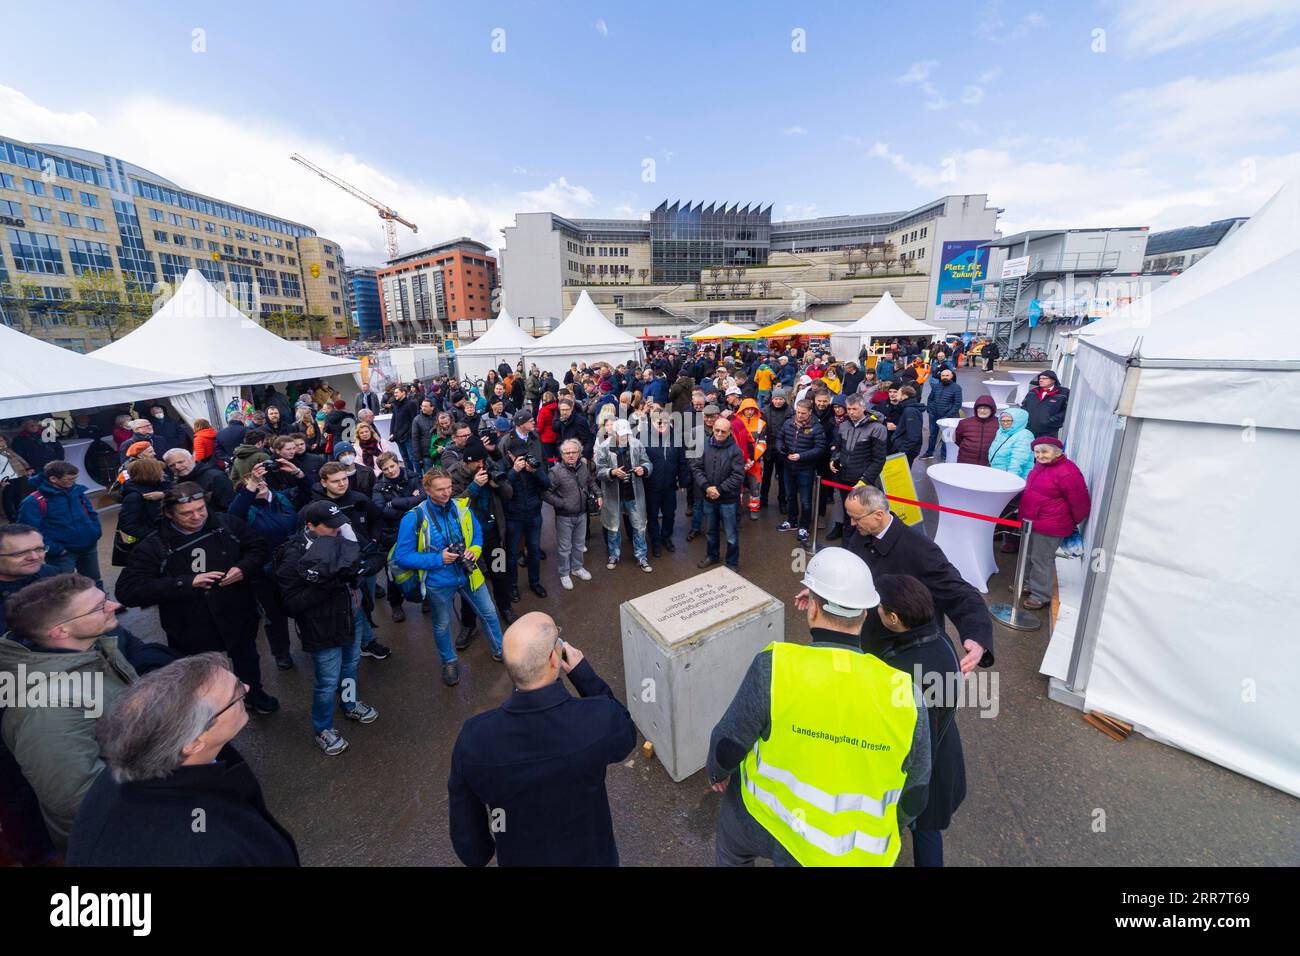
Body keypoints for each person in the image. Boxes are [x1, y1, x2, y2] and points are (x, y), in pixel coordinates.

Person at [707, 548, 931, 866]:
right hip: (852, 851)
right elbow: (917, 791)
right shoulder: (906, 694)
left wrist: (717, 772)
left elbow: (728, 744)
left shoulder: (775, 667)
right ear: (865, 614)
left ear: (812, 609)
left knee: (731, 847)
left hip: (764, 821)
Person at [66, 652, 300, 865]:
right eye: (235, 692)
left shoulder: (119, 776)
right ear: (194, 743)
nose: (247, 688)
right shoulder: (210, 850)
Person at [447, 612, 636, 867]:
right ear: (553, 658)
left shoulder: (474, 738)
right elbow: (626, 734)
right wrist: (584, 675)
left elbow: (466, 822)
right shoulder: (596, 718)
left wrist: (479, 851)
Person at [0, 574, 139, 852]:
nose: (113, 606)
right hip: (119, 833)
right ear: (59, 631)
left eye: (105, 599)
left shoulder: (89, 647)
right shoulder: (47, 710)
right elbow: (78, 798)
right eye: (99, 607)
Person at [115, 482, 279, 713]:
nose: (197, 517)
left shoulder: (227, 524)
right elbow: (128, 590)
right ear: (168, 514)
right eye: (187, 513)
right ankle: (210, 713)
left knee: (247, 659)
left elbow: (258, 547)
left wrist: (243, 568)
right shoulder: (154, 545)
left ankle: (253, 695)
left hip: (237, 612)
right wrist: (185, 582)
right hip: (190, 624)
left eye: (201, 509)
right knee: (201, 673)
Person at [840, 484, 994, 673]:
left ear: (878, 515)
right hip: (866, 638)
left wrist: (977, 637)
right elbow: (853, 569)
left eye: (856, 518)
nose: (852, 524)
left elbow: (960, 593)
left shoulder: (921, 550)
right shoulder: (861, 534)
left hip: (903, 653)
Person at [870, 574, 968, 867]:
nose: (876, 612)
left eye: (879, 608)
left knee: (923, 832)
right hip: (945, 757)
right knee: (928, 830)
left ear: (894, 618)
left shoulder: (902, 671)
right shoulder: (941, 638)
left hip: (924, 771)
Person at [276, 500, 380, 755]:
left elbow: (377, 554)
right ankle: (323, 728)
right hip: (322, 628)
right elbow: (290, 603)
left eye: (339, 523)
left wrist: (363, 569)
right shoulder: (293, 554)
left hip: (352, 617)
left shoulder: (344, 532)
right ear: (310, 526)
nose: (338, 529)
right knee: (327, 680)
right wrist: (327, 584)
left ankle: (350, 702)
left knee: (351, 665)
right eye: (330, 526)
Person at [393, 468, 505, 687]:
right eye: (440, 489)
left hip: (469, 573)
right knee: (442, 625)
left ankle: (500, 650)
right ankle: (449, 661)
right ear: (427, 489)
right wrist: (438, 559)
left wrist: (474, 549)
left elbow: (477, 534)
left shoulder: (462, 507)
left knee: (490, 613)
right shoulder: (414, 517)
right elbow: (402, 556)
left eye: (449, 488)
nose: (446, 493)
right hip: (438, 581)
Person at [309, 461, 390, 661]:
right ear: (324, 482)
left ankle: (364, 640)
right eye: (336, 481)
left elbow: (377, 520)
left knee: (366, 602)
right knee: (353, 607)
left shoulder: (359, 499)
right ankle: (363, 642)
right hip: (338, 568)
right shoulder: (317, 507)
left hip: (365, 562)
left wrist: (374, 538)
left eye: (344, 479)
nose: (342, 484)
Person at [448, 440, 516, 636]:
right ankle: (469, 624)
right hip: (467, 540)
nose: (480, 465)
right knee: (469, 579)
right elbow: (454, 507)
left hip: (493, 533)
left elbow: (509, 494)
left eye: (482, 460)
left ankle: (505, 608)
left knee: (499, 573)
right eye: (476, 462)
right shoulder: (454, 474)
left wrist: (498, 485)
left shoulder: (491, 466)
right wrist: (475, 486)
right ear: (466, 461)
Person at [1017, 437, 1091, 611]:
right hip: (1032, 521)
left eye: (1045, 451)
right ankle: (1027, 584)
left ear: (1057, 452)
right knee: (1028, 555)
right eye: (1037, 452)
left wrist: (1068, 522)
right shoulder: (1041, 466)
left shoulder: (1068, 472)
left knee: (1041, 559)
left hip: (1051, 525)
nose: (1040, 455)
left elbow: (1081, 503)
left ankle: (1040, 595)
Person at [18, 460, 103, 590]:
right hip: (62, 553)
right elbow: (30, 531)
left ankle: (102, 605)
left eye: (75, 478)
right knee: (63, 587)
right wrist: (55, 549)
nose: (74, 482)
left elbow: (91, 514)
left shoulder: (77, 492)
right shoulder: (33, 501)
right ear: (53, 478)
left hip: (88, 546)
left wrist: (95, 532)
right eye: (69, 479)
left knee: (94, 580)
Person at [498, 411, 552, 598]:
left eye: (524, 456)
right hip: (514, 515)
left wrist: (534, 471)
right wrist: (514, 471)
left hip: (534, 512)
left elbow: (546, 483)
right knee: (512, 554)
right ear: (511, 456)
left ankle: (535, 582)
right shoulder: (504, 464)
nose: (522, 459)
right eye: (519, 457)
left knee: (535, 550)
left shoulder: (532, 459)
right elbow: (501, 488)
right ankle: (513, 586)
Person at [824, 393, 889, 541]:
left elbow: (879, 460)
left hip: (863, 481)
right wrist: (834, 458)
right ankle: (847, 546)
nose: (851, 412)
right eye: (849, 409)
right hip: (843, 477)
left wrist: (864, 480)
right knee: (848, 515)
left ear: (863, 407)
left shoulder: (877, 428)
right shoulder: (844, 424)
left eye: (854, 409)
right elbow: (838, 446)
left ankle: (863, 547)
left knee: (863, 517)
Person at [595, 418, 653, 573]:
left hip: (634, 493)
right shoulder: (604, 447)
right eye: (620, 435)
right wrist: (612, 472)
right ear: (613, 433)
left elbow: (647, 462)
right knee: (613, 527)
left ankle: (641, 557)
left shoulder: (636, 444)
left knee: (639, 526)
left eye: (626, 435)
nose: (623, 438)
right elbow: (599, 471)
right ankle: (613, 555)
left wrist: (643, 469)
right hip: (613, 495)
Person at [372, 451, 424, 622]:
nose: (391, 471)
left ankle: (426, 598)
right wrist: (411, 501)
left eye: (392, 466)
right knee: (393, 571)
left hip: (418, 530)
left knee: (423, 566)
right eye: (386, 469)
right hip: (394, 533)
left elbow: (425, 497)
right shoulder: (379, 486)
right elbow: (382, 511)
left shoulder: (414, 477)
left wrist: (395, 503)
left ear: (398, 463)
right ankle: (395, 604)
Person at [544, 439, 601, 590]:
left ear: (579, 453)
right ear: (561, 455)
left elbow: (591, 482)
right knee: (564, 547)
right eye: (566, 452)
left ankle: (577, 568)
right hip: (564, 516)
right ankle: (564, 573)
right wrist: (562, 503)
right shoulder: (555, 472)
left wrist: (599, 494)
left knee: (579, 544)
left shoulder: (583, 467)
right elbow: (546, 493)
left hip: (582, 514)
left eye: (573, 452)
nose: (570, 455)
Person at [691, 415, 745, 570]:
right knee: (710, 530)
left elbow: (738, 476)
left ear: (730, 432)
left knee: (731, 534)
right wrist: (707, 487)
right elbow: (696, 468)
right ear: (713, 429)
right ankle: (712, 556)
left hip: (728, 500)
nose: (720, 434)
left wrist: (719, 490)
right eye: (717, 430)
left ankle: (732, 562)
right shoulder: (705, 446)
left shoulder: (735, 451)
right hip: (709, 497)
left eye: (723, 431)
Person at [777, 399, 827, 547]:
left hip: (805, 468)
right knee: (790, 496)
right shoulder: (788, 423)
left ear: (810, 412)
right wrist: (781, 449)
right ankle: (792, 521)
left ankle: (804, 527)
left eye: (803, 413)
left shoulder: (817, 427)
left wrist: (801, 456)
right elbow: (780, 438)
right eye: (798, 412)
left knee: (806, 500)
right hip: (788, 466)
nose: (799, 415)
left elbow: (820, 448)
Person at [644, 411, 687, 557]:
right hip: (651, 485)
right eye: (659, 422)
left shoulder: (676, 438)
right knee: (652, 515)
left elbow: (682, 461)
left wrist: (683, 481)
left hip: (669, 485)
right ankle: (655, 541)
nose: (662, 425)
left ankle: (666, 537)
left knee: (669, 514)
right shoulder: (644, 438)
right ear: (653, 423)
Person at [163, 448, 235, 512]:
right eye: (172, 465)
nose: (177, 467)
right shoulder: (178, 482)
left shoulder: (216, 477)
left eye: (180, 462)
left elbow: (228, 507)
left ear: (192, 459)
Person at [761, 387, 792, 512]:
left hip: (783, 449)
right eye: (776, 399)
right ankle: (763, 499)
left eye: (780, 399)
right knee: (766, 476)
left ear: (784, 400)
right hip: (768, 448)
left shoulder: (790, 411)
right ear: (772, 399)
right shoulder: (765, 411)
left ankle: (782, 502)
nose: (778, 401)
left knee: (783, 478)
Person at [736, 398, 768, 520]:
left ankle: (754, 509)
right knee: (737, 486)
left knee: (755, 486)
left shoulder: (761, 423)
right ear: (742, 409)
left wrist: (752, 459)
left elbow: (762, 443)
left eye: (752, 409)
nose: (749, 411)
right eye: (747, 409)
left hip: (754, 462)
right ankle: (737, 508)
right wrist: (740, 459)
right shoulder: (736, 422)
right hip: (738, 461)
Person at [923, 367, 963, 460]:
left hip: (948, 417)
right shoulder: (936, 386)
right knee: (933, 435)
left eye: (947, 375)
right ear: (940, 377)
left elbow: (957, 404)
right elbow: (930, 399)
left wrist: (947, 415)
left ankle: (944, 455)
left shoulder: (957, 388)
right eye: (943, 375)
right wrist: (930, 410)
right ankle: (929, 452)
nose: (945, 377)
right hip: (934, 415)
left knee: (946, 436)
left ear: (951, 376)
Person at [988, 408, 1035, 480]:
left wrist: (1010, 478)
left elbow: (1018, 461)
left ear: (1018, 421)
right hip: (999, 472)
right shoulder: (1001, 432)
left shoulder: (1024, 435)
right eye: (1002, 420)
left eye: (1009, 420)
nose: (1005, 423)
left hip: (1013, 476)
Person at [1021, 369, 1070, 439]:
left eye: (1044, 378)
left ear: (1053, 380)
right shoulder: (1033, 392)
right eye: (1040, 378)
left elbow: (1066, 410)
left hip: (1049, 431)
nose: (1041, 380)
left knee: (1046, 449)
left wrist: (1051, 421)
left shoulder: (1063, 393)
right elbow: (1024, 406)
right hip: (1029, 429)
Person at [955, 394, 1000, 465]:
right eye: (980, 408)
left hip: (989, 464)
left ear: (992, 409)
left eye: (985, 408)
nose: (982, 410)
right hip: (966, 462)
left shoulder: (999, 424)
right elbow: (957, 439)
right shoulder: (964, 423)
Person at [890, 384, 927, 465]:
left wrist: (902, 451)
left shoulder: (910, 411)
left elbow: (913, 436)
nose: (896, 395)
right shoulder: (907, 408)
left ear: (904, 396)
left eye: (898, 393)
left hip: (907, 451)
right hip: (906, 448)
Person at [388, 384, 419, 466]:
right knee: (404, 458)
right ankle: (409, 476)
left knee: (412, 458)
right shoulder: (395, 405)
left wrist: (409, 434)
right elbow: (393, 419)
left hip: (407, 437)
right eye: (394, 393)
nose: (395, 394)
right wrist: (391, 433)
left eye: (397, 392)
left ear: (403, 393)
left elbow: (414, 420)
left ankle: (418, 476)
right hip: (398, 437)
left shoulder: (411, 404)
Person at [410, 398, 438, 474]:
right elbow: (415, 439)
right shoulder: (417, 420)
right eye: (422, 406)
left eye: (425, 406)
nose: (423, 408)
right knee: (429, 477)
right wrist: (418, 458)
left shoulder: (438, 417)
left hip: (438, 452)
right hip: (426, 454)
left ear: (432, 407)